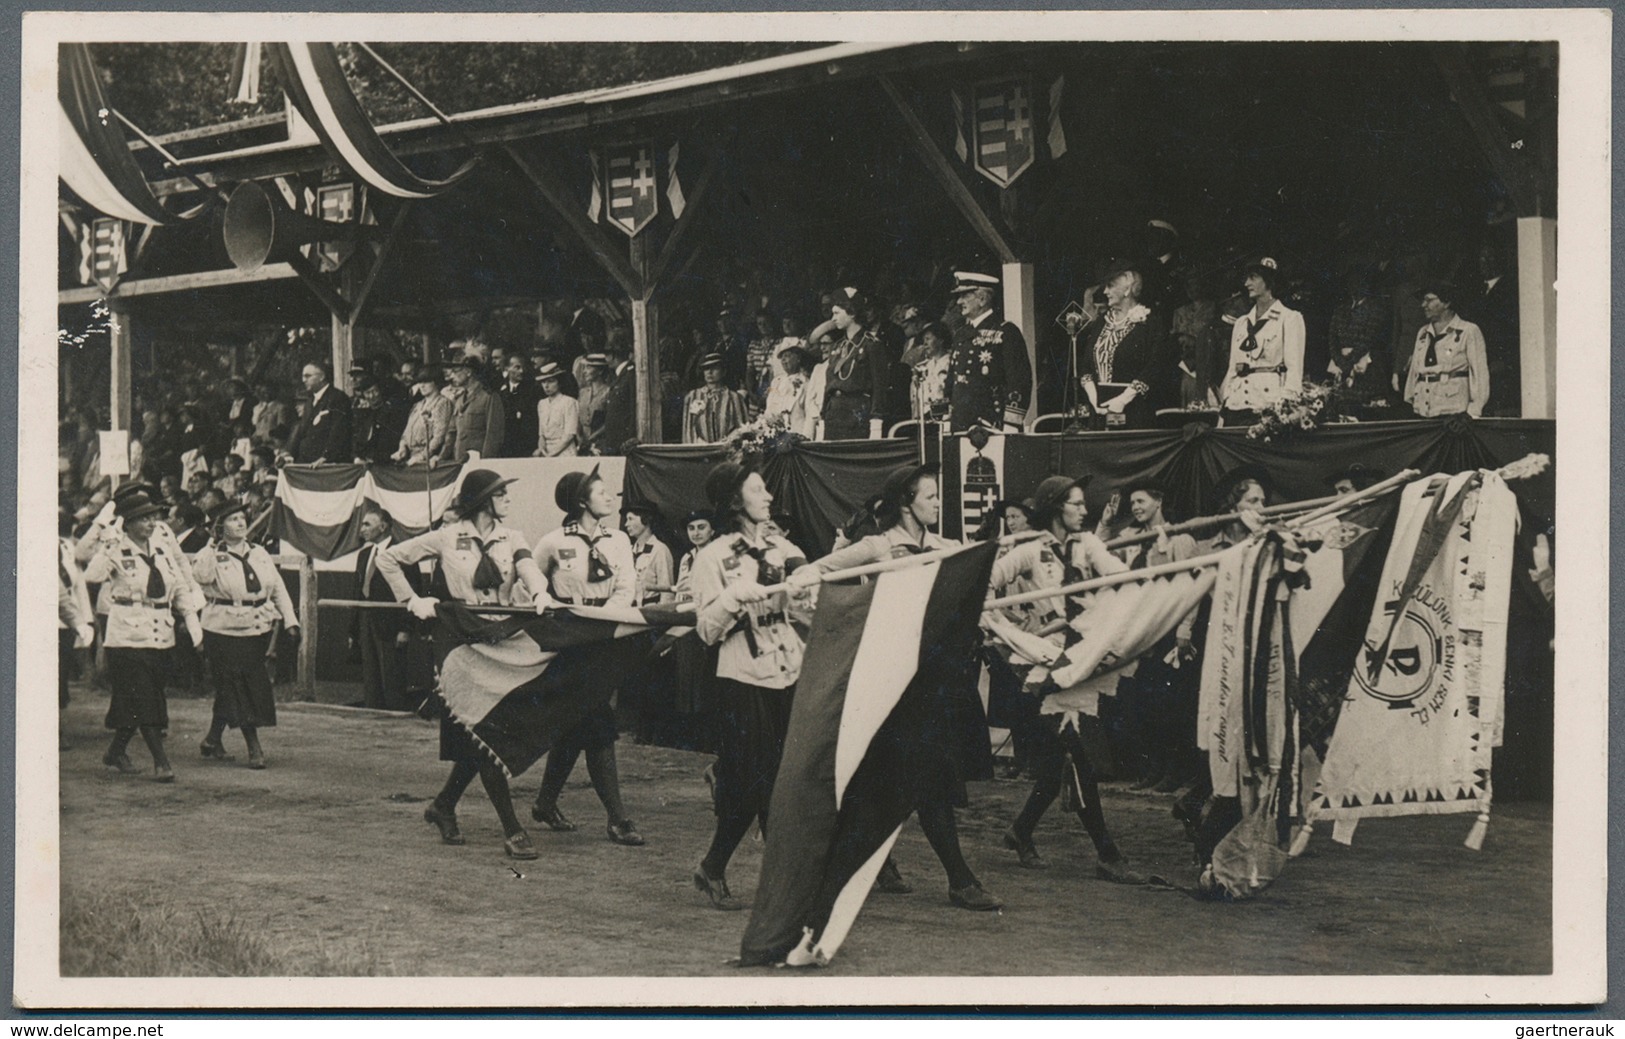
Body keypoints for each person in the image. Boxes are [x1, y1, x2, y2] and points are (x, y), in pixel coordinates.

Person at [793, 463, 1003, 911]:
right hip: (891, 674)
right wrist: (797, 587)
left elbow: (982, 564)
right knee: (921, 775)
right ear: (906, 502)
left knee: (904, 774)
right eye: (929, 497)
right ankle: (958, 878)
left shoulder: (945, 546)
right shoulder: (876, 546)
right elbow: (818, 570)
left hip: (932, 676)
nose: (936, 504)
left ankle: (874, 863)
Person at [375, 469, 553, 860]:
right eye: (501, 494)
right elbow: (389, 559)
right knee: (483, 731)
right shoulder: (447, 536)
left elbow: (527, 567)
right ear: (484, 500)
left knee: (481, 735)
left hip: (501, 639)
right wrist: (412, 599)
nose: (508, 500)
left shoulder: (514, 537)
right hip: (458, 641)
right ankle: (512, 828)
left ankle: (443, 805)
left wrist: (539, 591)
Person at [985, 473, 1145, 883]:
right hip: (1050, 664)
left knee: (1061, 760)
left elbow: (1119, 575)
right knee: (1080, 756)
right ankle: (1108, 854)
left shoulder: (1088, 544)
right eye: (1075, 503)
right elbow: (987, 585)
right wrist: (1013, 633)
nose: (1084, 510)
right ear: (1057, 507)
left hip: (1084, 659)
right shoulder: (1028, 552)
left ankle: (1020, 832)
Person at [688, 461, 811, 910]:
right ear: (736, 501)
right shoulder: (712, 556)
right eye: (759, 490)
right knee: (759, 780)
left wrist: (805, 593)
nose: (770, 498)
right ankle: (718, 867)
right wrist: (733, 596)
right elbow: (704, 631)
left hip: (786, 669)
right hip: (741, 674)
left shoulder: (782, 549)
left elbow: (805, 613)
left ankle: (746, 872)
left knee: (782, 778)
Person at [528, 467, 645, 846]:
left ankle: (546, 803)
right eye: (601, 492)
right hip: (570, 641)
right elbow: (529, 582)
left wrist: (604, 624)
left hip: (605, 634)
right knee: (597, 723)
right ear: (582, 502)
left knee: (578, 724)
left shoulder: (620, 541)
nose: (610, 498)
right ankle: (618, 819)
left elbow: (626, 586)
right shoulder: (551, 542)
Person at [82, 492, 203, 782]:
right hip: (126, 635)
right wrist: (108, 545)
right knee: (145, 696)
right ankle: (161, 762)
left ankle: (115, 752)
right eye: (144, 519)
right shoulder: (117, 548)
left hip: (160, 632)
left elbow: (179, 588)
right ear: (129, 522)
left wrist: (191, 620)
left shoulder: (161, 549)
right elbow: (92, 576)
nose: (152, 523)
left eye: (154, 517)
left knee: (141, 697)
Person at [1098, 478, 1202, 792]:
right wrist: (1105, 523)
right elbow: (1098, 552)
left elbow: (1191, 587)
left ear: (1158, 501)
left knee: (1171, 704)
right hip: (1140, 630)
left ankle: (1176, 770)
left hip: (1169, 630)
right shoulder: (1130, 538)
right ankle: (1152, 768)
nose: (1136, 508)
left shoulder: (1179, 539)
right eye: (1132, 505)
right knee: (1143, 703)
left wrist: (1185, 630)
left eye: (1141, 501)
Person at [192, 501, 300, 768]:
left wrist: (290, 621)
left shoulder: (259, 553)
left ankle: (212, 739)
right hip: (222, 629)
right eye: (232, 520)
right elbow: (201, 576)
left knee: (235, 685)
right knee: (239, 685)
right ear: (220, 527)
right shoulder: (213, 554)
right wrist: (211, 545)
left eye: (242, 518)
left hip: (256, 627)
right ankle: (254, 746)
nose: (240, 523)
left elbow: (277, 589)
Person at [1077, 266, 1174, 428]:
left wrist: (1123, 399)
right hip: (1100, 412)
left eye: (1111, 286)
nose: (1106, 292)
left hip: (1135, 411)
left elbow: (1154, 367)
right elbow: (1086, 364)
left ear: (1127, 289)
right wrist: (1094, 400)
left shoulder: (1151, 324)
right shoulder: (1101, 322)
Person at [1218, 258, 1305, 423]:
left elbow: (1294, 370)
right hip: (1236, 404)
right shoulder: (1241, 323)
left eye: (1253, 277)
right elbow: (1232, 368)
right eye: (1247, 278)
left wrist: (1287, 409)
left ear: (1268, 281)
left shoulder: (1289, 318)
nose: (1246, 283)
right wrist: (1225, 399)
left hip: (1268, 404)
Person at [947, 271, 1031, 432]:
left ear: (982, 299)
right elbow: (952, 379)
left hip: (992, 423)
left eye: (964, 296)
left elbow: (1019, 380)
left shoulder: (1006, 331)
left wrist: (1012, 423)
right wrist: (945, 415)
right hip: (960, 422)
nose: (959, 301)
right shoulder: (960, 334)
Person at [353, 505, 414, 711]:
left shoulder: (401, 553)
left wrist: (405, 628)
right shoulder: (364, 555)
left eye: (367, 524)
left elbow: (412, 591)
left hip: (390, 624)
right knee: (370, 677)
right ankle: (372, 719)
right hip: (366, 621)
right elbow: (357, 592)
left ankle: (394, 724)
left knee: (392, 677)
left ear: (383, 527)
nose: (362, 529)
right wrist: (353, 629)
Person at [1402, 282, 1489, 419]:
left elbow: (1480, 375)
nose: (1423, 305)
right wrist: (1411, 401)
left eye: (1429, 300)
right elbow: (1415, 372)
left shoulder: (1468, 331)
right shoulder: (1423, 333)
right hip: (1423, 412)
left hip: (1453, 414)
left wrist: (1473, 413)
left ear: (1446, 302)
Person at [818, 291, 890, 440]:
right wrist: (823, 416)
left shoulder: (872, 346)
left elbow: (879, 387)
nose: (833, 318)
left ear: (851, 312)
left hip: (856, 415)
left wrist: (876, 423)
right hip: (834, 416)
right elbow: (828, 385)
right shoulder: (837, 347)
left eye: (837, 313)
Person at [1325, 266, 1392, 410]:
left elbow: (1369, 338)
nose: (1353, 286)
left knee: (1366, 408)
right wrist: (1341, 362)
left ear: (1366, 285)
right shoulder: (1340, 310)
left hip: (1366, 368)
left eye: (1358, 282)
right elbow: (1332, 340)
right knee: (1341, 405)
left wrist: (1351, 362)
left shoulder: (1376, 309)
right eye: (1350, 282)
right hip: (1341, 367)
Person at [281, 363, 352, 466]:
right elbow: (302, 432)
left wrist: (326, 457)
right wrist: (289, 454)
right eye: (303, 376)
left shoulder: (337, 398)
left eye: (308, 376)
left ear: (321, 377)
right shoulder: (309, 402)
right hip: (305, 462)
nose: (303, 380)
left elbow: (339, 431)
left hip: (324, 463)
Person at [446, 355, 505, 462]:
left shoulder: (488, 397)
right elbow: (452, 433)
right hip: (459, 460)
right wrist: (441, 457)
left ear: (468, 372)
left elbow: (494, 435)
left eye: (456, 371)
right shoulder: (459, 399)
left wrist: (485, 462)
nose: (452, 376)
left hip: (478, 462)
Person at [683, 353, 750, 444]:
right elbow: (689, 429)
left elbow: (742, 428)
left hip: (727, 450)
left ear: (724, 372)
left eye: (715, 368)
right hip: (700, 451)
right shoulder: (693, 396)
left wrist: (727, 442)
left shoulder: (734, 398)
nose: (709, 372)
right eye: (706, 368)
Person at [394, 366, 454, 465]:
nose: (422, 386)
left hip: (428, 460)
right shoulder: (417, 405)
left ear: (435, 382)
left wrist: (423, 455)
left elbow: (439, 436)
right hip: (411, 457)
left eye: (426, 382)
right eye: (420, 382)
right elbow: (406, 433)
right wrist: (402, 448)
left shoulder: (442, 403)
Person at [532, 362, 581, 457]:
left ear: (559, 382)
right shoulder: (542, 404)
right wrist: (542, 449)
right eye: (543, 382)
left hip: (565, 452)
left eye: (551, 381)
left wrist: (551, 454)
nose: (546, 386)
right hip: (546, 452)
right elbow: (541, 434)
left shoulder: (569, 402)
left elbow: (569, 435)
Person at [600, 339, 638, 455]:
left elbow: (633, 408)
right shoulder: (620, 376)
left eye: (606, 355)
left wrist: (630, 437)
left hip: (623, 443)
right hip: (615, 441)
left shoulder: (629, 375)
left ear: (612, 356)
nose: (606, 359)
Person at [499, 354, 541, 459]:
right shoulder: (500, 391)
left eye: (523, 367)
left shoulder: (532, 391)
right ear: (507, 369)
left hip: (526, 446)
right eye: (517, 367)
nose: (521, 371)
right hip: (506, 447)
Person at [576, 354, 612, 455]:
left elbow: (609, 421)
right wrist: (580, 437)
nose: (584, 371)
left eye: (588, 367)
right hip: (582, 443)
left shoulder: (608, 391)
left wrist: (592, 438)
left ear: (600, 371)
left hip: (600, 443)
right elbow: (578, 418)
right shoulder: (583, 392)